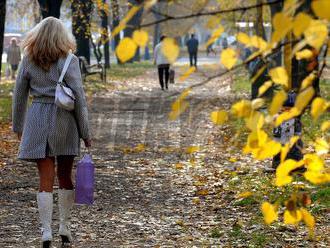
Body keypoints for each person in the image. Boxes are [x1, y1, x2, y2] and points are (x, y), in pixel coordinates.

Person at [12, 17, 91, 248]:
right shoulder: (70, 60)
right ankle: (64, 228)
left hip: (37, 117)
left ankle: (46, 232)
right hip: (64, 120)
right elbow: (79, 99)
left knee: (45, 178)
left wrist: (18, 126)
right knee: (65, 176)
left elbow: (19, 96)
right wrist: (85, 131)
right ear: (61, 36)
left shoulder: (28, 60)